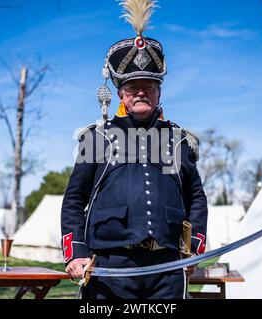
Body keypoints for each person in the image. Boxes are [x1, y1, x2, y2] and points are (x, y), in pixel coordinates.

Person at [61, 0, 208, 299]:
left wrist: (192, 247)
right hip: (109, 268)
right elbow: (74, 199)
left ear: (159, 91)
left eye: (149, 86)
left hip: (168, 268)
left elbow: (196, 198)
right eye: (133, 87)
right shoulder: (96, 138)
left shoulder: (178, 140)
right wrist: (76, 252)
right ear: (120, 94)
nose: (141, 91)